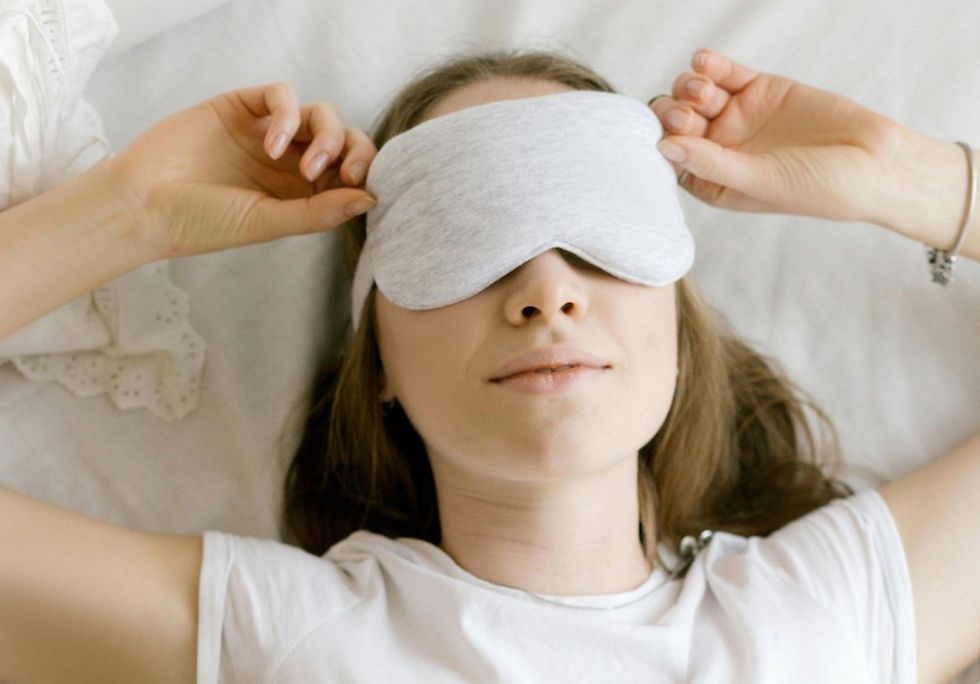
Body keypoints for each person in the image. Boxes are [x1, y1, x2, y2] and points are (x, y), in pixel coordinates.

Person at [0, 46, 976, 683]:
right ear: (376, 360)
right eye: (464, 243)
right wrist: (132, 212)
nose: (546, 293)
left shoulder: (827, 614)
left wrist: (909, 179)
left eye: (599, 242)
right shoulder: (280, 635)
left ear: (679, 330)